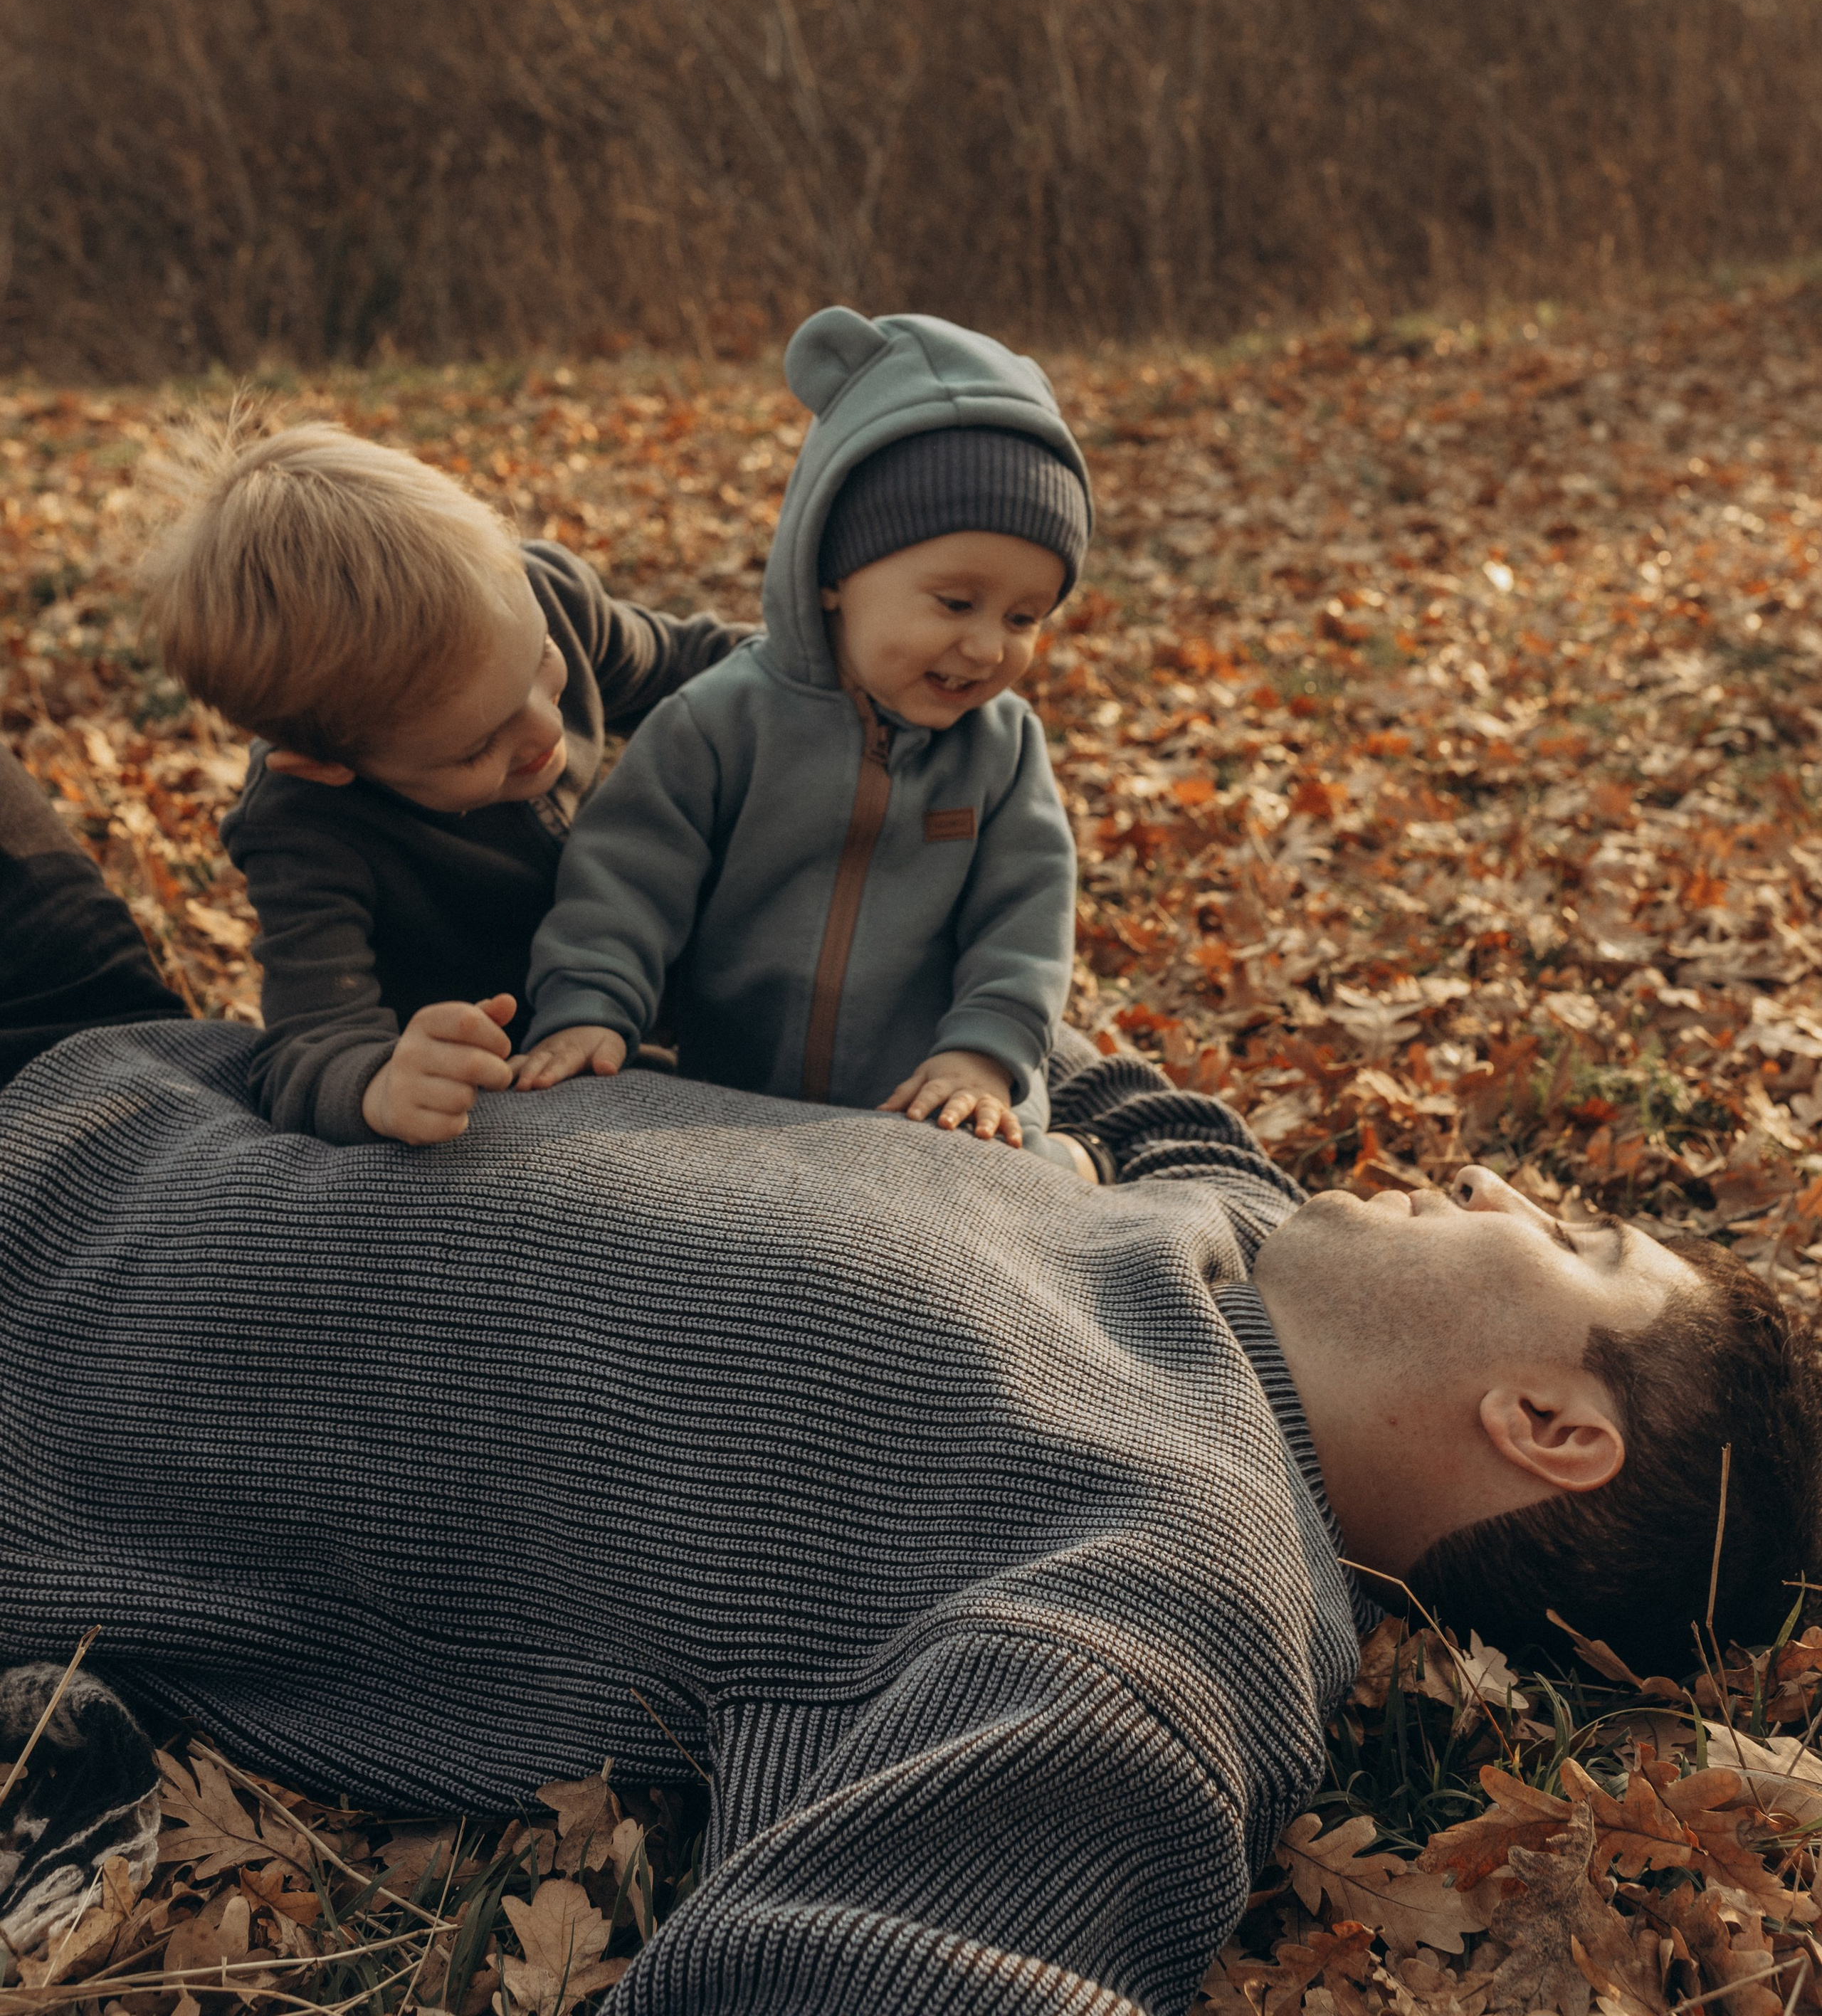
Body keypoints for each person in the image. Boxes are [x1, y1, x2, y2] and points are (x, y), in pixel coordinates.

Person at [0, 741, 1816, 2013]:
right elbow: (1026, 996)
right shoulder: (1211, 1217)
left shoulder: (1166, 1593)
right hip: (117, 1051)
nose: (1501, 1187)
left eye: (1574, 1245)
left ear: (1549, 1425)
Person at [517, 307, 1095, 1171]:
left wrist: (985, 1052)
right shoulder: (720, 723)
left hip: (935, 1105)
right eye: (955, 603)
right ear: (833, 572)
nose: (987, 647)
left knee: (1031, 1194)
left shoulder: (1001, 752)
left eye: (1024, 618)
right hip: (735, 1100)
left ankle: (1088, 1165)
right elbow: (625, 882)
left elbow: (1026, 919)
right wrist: (591, 1008)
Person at [137, 419, 749, 1144]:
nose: (546, 732)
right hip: (532, 1084)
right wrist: (383, 1085)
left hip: (665, 971)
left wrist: (836, 659)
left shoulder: (549, 599)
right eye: (478, 747)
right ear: (332, 766)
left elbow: (711, 667)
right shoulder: (304, 830)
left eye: (542, 662)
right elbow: (308, 1048)